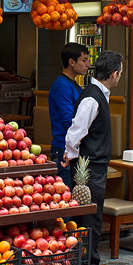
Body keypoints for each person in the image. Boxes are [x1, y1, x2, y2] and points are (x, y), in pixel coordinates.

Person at [62, 50, 124, 265]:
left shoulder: (99, 94)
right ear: (114, 73)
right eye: (120, 73)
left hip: (94, 166)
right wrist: (70, 155)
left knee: (93, 216)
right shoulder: (92, 98)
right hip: (89, 168)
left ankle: (90, 260)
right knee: (91, 218)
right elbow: (76, 131)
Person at [48, 43, 90, 186]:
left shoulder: (73, 85)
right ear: (71, 62)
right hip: (63, 149)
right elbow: (68, 120)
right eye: (84, 60)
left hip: (72, 147)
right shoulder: (62, 85)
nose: (88, 65)